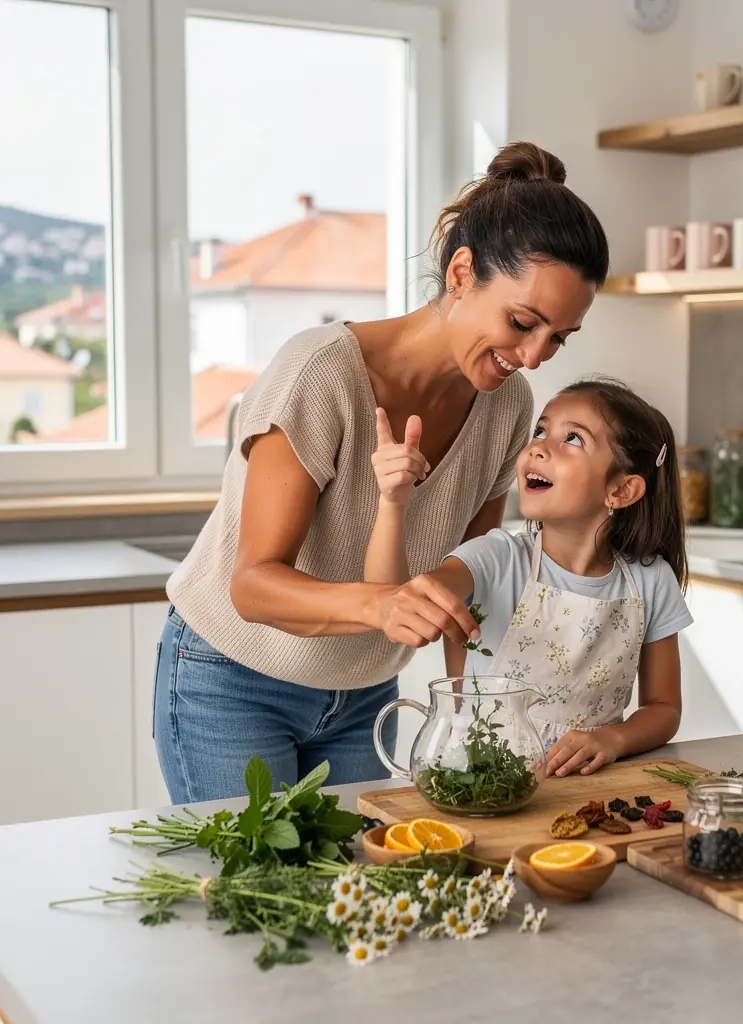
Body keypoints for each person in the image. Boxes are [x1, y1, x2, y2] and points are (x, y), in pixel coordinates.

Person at [154, 141, 609, 802]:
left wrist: (484, 715)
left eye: (557, 338)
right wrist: (383, 603)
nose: (535, 356)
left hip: (364, 697)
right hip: (233, 681)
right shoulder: (321, 373)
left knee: (348, 898)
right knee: (251, 897)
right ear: (461, 273)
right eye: (522, 323)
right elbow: (252, 585)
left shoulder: (508, 405)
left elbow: (467, 577)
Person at [366, 377, 692, 777]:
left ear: (621, 490)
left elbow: (664, 708)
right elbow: (394, 602)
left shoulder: (650, 580)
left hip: (591, 789)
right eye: (541, 429)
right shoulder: (496, 558)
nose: (538, 446)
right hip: (479, 784)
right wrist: (392, 502)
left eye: (572, 439)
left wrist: (613, 739)